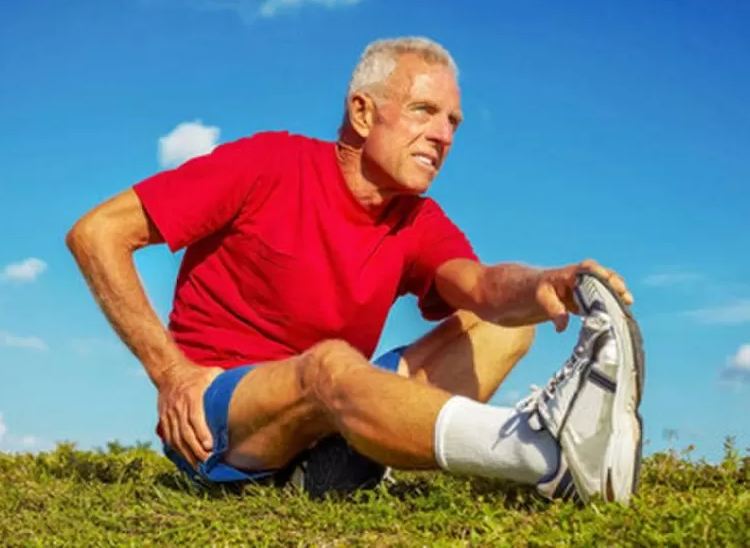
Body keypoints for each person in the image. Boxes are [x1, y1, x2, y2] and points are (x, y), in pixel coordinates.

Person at [65, 36, 645, 504]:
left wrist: (548, 284)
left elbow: (483, 288)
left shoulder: (416, 219)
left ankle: (331, 470)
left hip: (328, 410)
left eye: (453, 122)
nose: (443, 135)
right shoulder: (267, 164)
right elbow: (96, 233)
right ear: (363, 113)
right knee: (328, 365)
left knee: (506, 325)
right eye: (424, 111)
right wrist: (170, 373)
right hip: (219, 416)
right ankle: (539, 454)